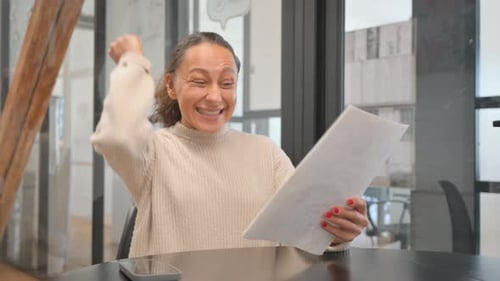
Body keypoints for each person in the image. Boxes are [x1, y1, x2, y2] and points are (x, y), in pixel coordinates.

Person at [91, 32, 368, 258]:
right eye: (199, 81)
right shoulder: (153, 153)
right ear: (172, 86)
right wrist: (133, 60)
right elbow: (117, 136)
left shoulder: (265, 152)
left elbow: (303, 231)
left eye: (226, 83)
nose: (214, 96)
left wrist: (335, 234)